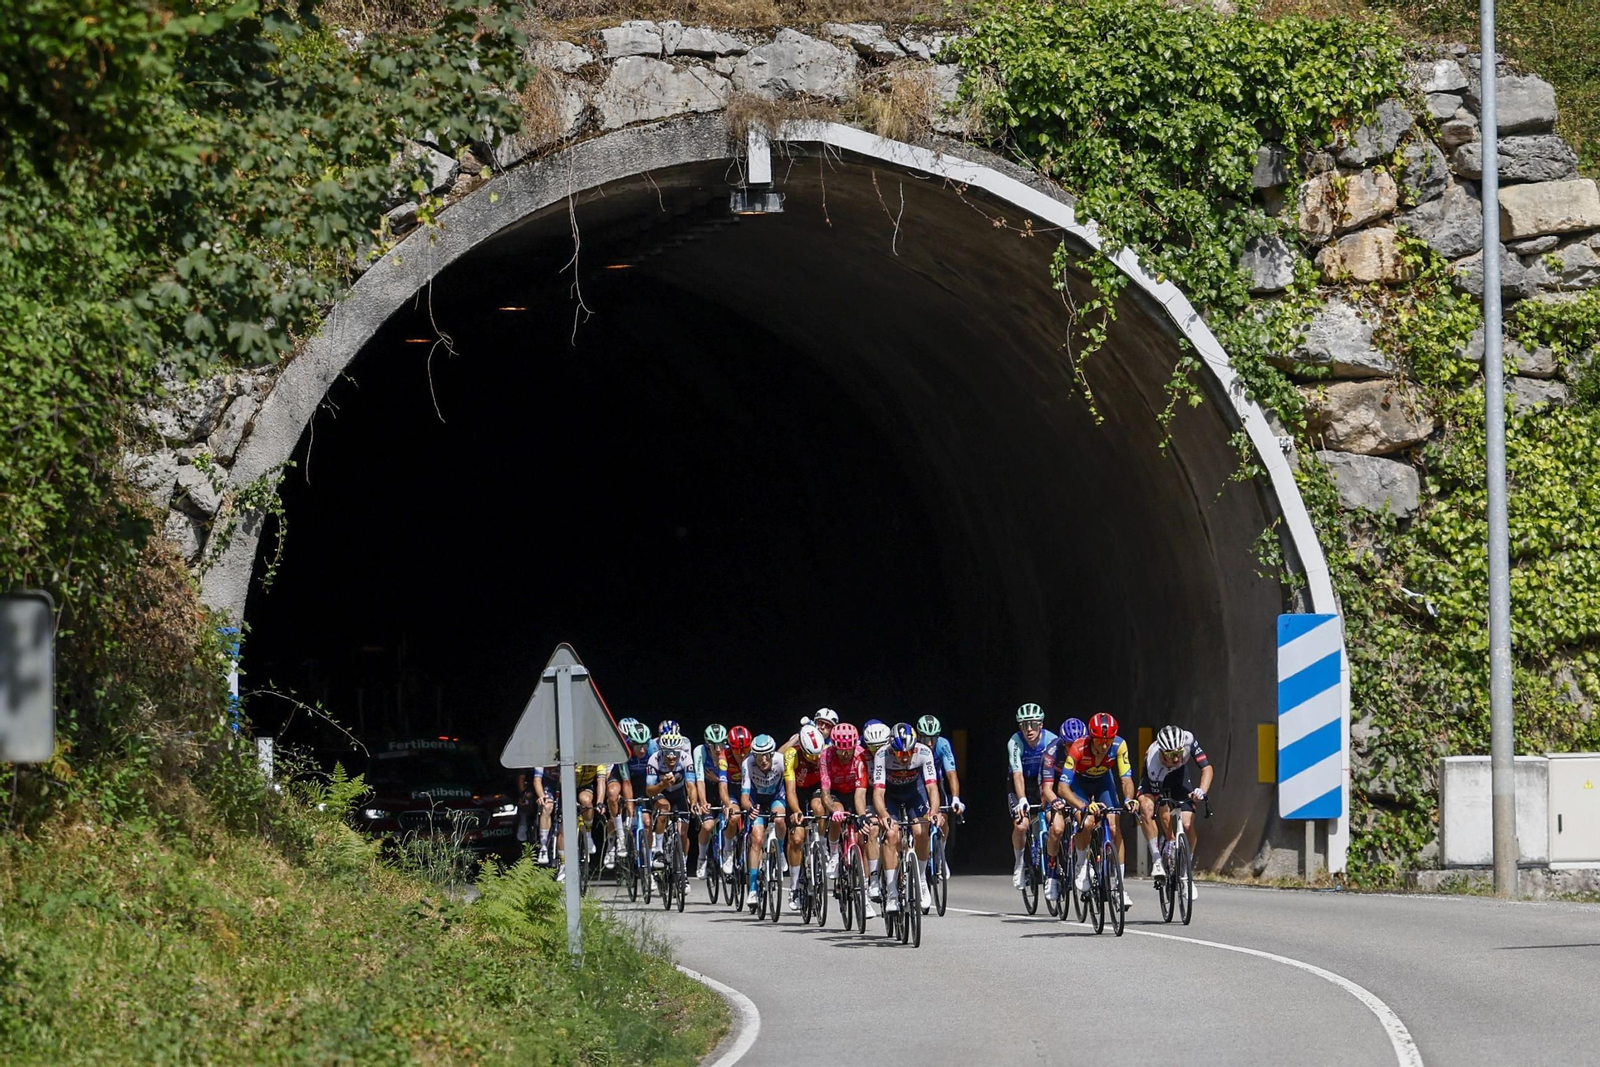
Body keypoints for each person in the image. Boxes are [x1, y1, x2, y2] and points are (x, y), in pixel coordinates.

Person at [1061, 712, 1136, 908]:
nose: (1104, 746)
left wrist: (1129, 798)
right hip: (1079, 785)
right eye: (1100, 741)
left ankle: (1119, 886)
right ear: (1091, 737)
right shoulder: (1077, 748)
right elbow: (1062, 788)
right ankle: (1081, 864)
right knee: (1086, 822)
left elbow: (1126, 779)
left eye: (1108, 741)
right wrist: (1083, 806)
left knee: (1113, 826)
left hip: (1104, 783)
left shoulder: (1120, 745)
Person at [1136, 724, 1213, 900]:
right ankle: (1157, 858)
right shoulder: (1153, 762)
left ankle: (1186, 874)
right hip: (1155, 782)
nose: (1177, 758)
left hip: (1178, 778)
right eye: (1171, 755)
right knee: (1147, 808)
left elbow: (1207, 768)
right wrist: (1170, 837)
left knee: (1187, 824)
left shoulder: (1188, 739)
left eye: (1179, 753)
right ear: (1163, 753)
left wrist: (1201, 790)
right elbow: (1162, 807)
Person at [871, 722, 940, 914]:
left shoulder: (924, 752)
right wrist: (884, 815)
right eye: (900, 754)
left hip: (913, 793)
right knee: (892, 834)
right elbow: (877, 792)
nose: (904, 758)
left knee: (921, 831)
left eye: (908, 753)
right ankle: (892, 893)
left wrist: (933, 811)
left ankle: (922, 880)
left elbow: (931, 787)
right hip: (891, 795)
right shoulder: (882, 755)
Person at [820, 723, 874, 916]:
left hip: (855, 793)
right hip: (835, 794)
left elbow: (861, 793)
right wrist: (832, 809)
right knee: (838, 814)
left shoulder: (860, 755)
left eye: (847, 750)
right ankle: (834, 853)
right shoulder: (826, 755)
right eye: (840, 750)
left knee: (863, 840)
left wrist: (861, 817)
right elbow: (825, 792)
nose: (844, 755)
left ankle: (866, 895)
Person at [1006, 703, 1058, 889]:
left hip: (1044, 782)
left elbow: (1056, 772)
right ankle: (1019, 863)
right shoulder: (1015, 742)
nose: (1029, 729)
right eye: (1024, 725)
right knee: (1022, 826)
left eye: (1033, 724)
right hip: (1020, 784)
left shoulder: (1052, 741)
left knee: (1055, 820)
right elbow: (1017, 773)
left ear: (1041, 725)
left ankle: (1056, 863)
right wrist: (1022, 800)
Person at [1039, 718, 1088, 904]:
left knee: (1085, 819)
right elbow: (1047, 788)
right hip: (1053, 789)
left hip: (1074, 787)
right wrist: (1055, 802)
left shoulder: (1086, 751)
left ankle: (1085, 860)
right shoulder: (1051, 752)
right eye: (1069, 745)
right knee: (1057, 828)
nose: (1073, 748)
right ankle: (1052, 871)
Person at [739, 733, 789, 912]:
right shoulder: (748, 764)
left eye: (767, 755)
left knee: (780, 820)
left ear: (772, 753)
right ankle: (752, 889)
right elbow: (744, 796)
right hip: (757, 799)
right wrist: (750, 808)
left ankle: (781, 851)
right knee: (757, 839)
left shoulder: (781, 760)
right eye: (759, 756)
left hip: (776, 796)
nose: (763, 760)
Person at [783, 723, 827, 908]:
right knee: (798, 838)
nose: (815, 759)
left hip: (816, 788)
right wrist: (797, 811)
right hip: (798, 791)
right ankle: (794, 887)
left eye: (818, 755)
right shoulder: (791, 755)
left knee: (819, 807)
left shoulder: (824, 752)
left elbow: (827, 786)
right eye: (811, 755)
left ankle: (823, 844)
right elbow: (791, 791)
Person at [644, 733, 696, 870]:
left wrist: (694, 802)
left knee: (683, 832)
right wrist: (663, 784)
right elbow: (649, 791)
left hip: (678, 794)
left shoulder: (686, 758)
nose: (671, 756)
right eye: (667, 752)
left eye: (675, 752)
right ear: (662, 750)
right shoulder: (654, 759)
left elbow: (691, 785)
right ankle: (659, 851)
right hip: (660, 793)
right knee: (665, 808)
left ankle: (683, 865)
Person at [611, 719, 655, 866]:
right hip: (623, 776)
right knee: (613, 794)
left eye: (645, 746)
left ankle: (649, 860)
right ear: (631, 743)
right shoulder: (625, 751)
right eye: (638, 746)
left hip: (643, 779)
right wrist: (630, 806)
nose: (642, 750)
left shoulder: (653, 749)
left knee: (647, 820)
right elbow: (627, 782)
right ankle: (621, 837)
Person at [693, 724, 731, 879]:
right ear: (707, 744)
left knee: (732, 819)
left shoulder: (727, 752)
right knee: (708, 826)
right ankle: (701, 858)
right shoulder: (699, 751)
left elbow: (728, 780)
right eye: (713, 745)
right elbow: (699, 779)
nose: (717, 749)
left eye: (721, 744)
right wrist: (702, 802)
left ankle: (730, 853)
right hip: (707, 792)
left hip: (723, 788)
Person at [860, 720, 892, 902]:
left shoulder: (895, 753)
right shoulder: (863, 758)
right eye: (872, 747)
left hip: (892, 797)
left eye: (880, 747)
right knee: (871, 830)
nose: (877, 752)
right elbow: (861, 789)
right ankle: (872, 879)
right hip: (871, 796)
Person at [717, 725, 753, 876]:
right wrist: (727, 804)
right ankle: (728, 850)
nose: (742, 754)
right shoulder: (723, 757)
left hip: (749, 789)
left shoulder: (753, 754)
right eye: (737, 751)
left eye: (745, 749)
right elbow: (723, 785)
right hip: (732, 790)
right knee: (734, 816)